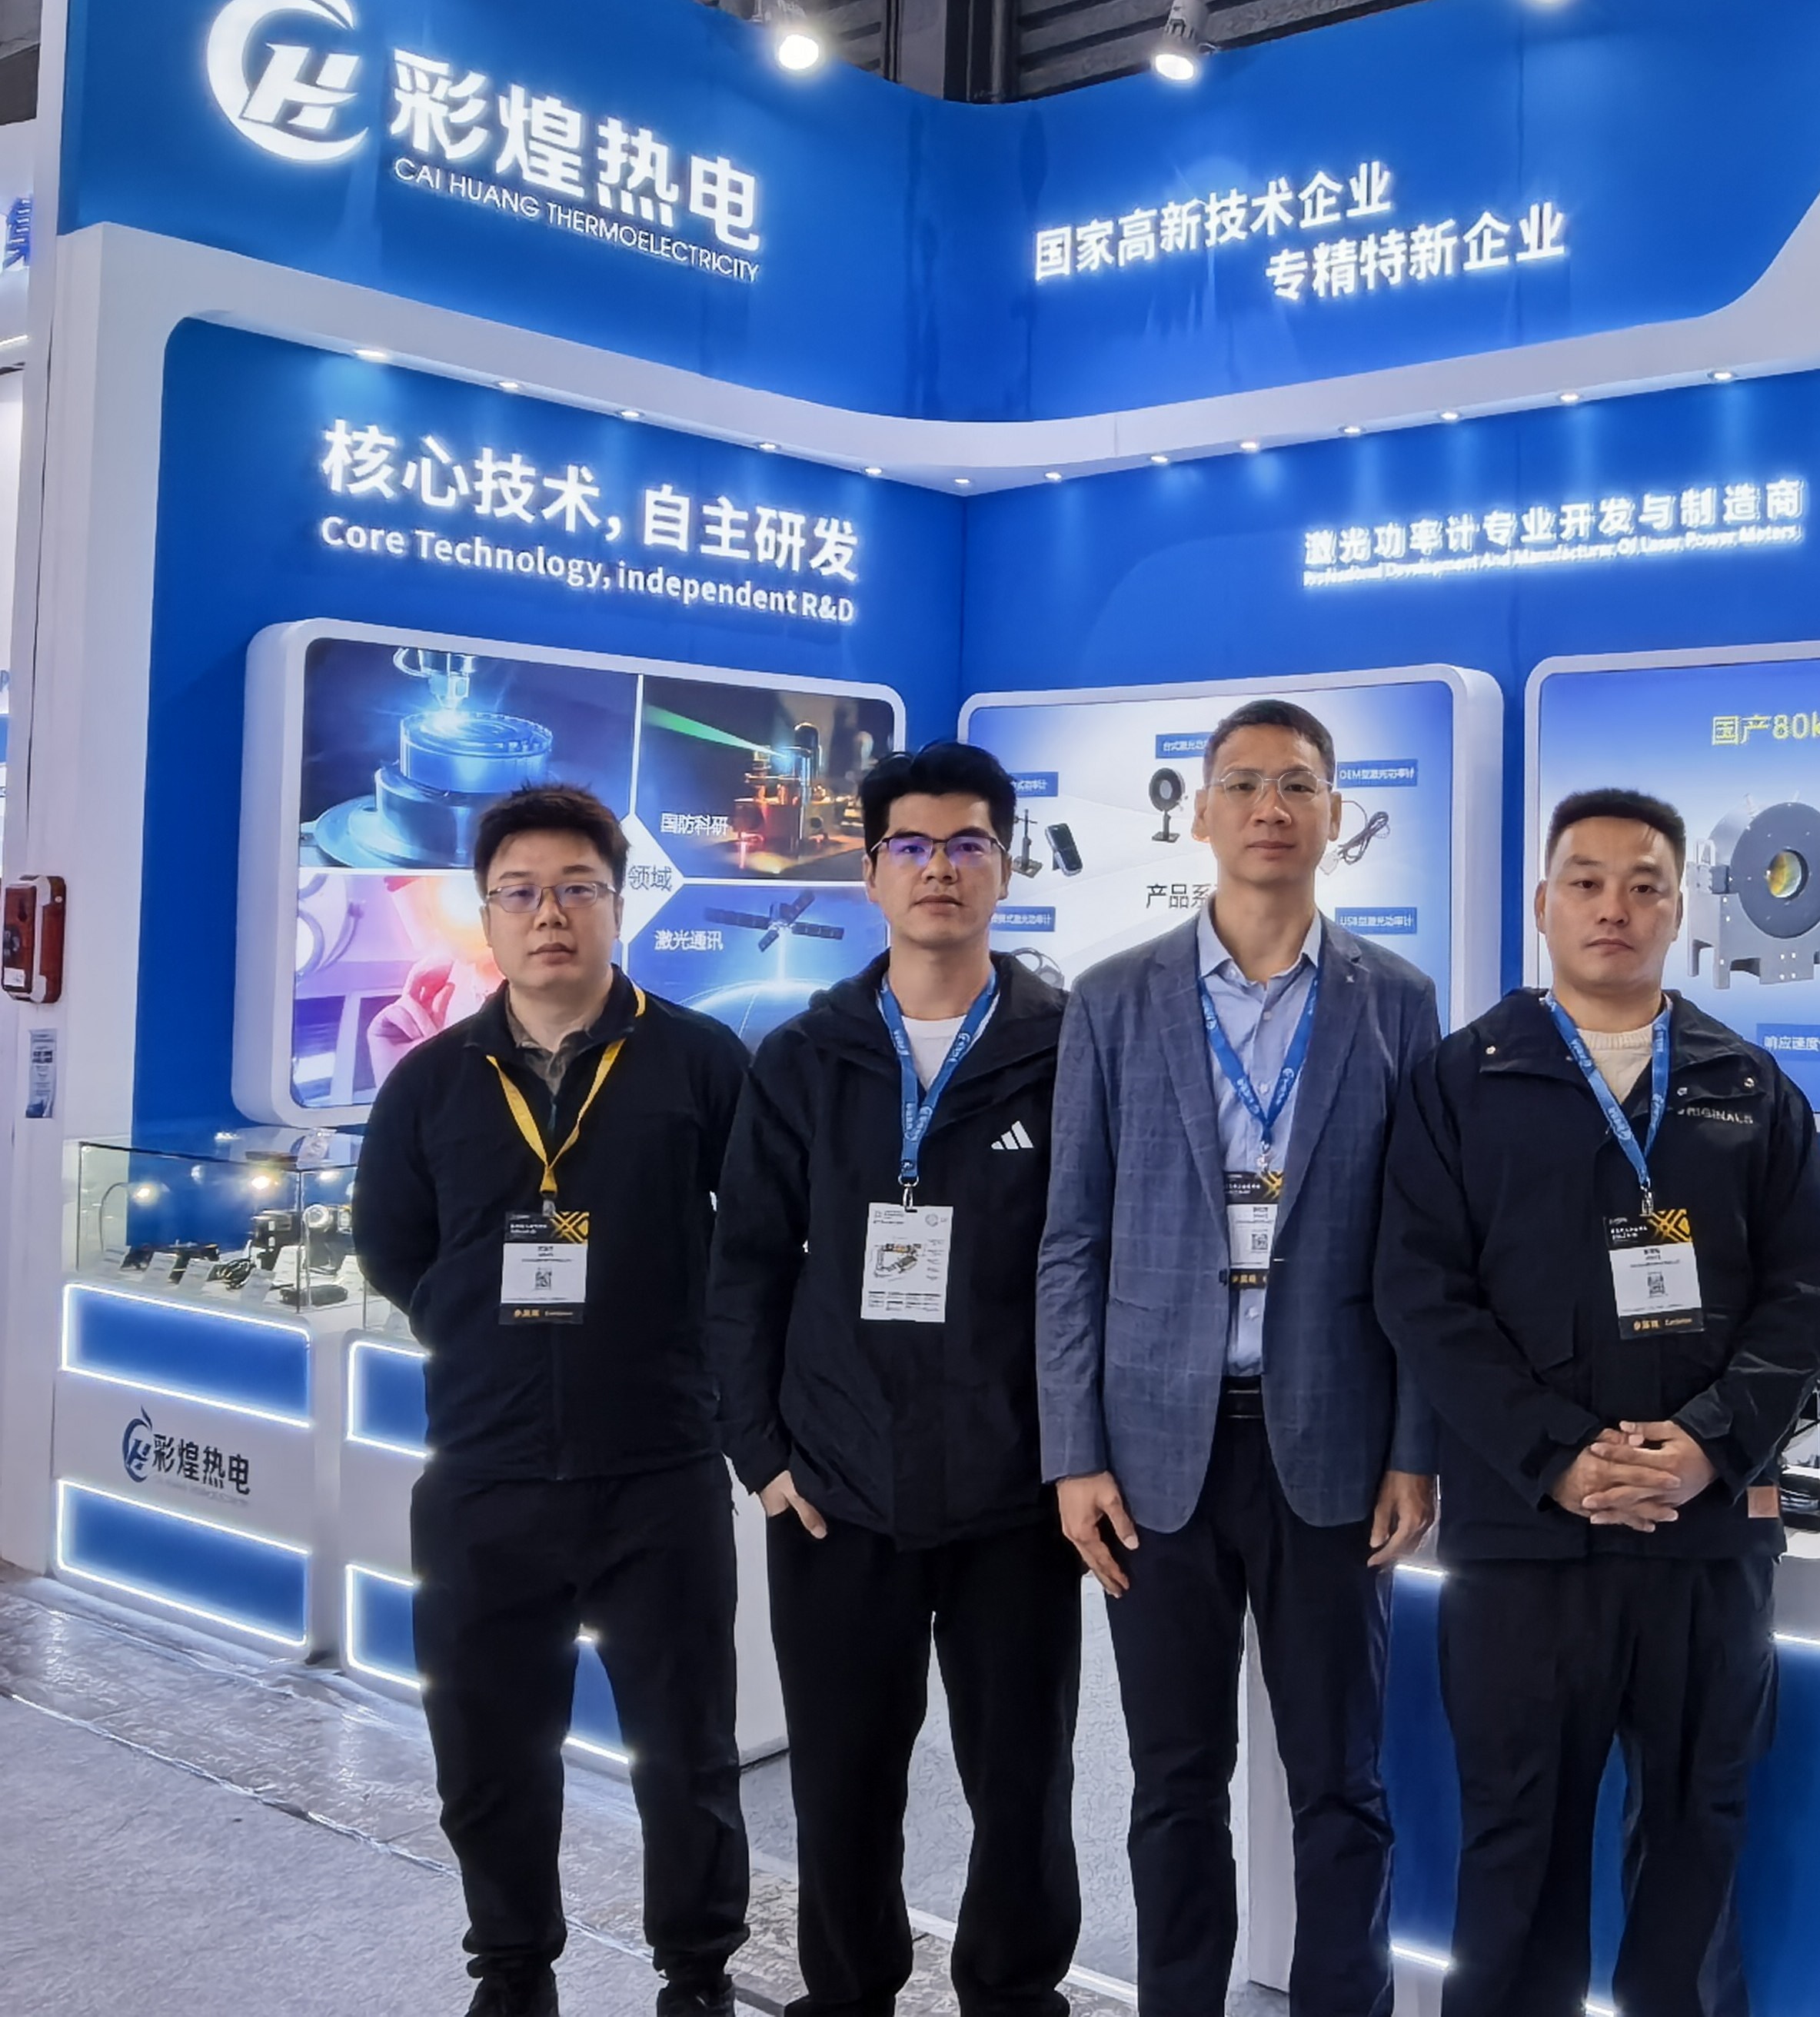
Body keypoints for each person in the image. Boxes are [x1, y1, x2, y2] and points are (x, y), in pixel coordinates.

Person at [1375, 787, 1820, 2017]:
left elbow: (1802, 1293)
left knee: (1696, 1830)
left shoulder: (1748, 1087)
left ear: (1680, 911)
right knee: (1516, 1845)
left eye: (1644, 886)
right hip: (1528, 1536)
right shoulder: (1459, 1081)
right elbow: (1421, 1294)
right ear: (1542, 904)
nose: (1613, 908)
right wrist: (1559, 1457)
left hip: (1704, 1535)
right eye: (1585, 883)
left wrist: (1705, 1446)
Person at [1040, 697, 1439, 2017]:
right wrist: (1073, 1453)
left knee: (1341, 1782)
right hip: (1156, 1454)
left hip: (1332, 1445)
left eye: (1300, 784)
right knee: (1172, 1783)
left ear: (1335, 816)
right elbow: (1071, 1241)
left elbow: (1423, 1250)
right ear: (1202, 813)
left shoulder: (1396, 1001)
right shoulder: (1112, 998)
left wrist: (1414, 1446)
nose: (1272, 807)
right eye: (1247, 783)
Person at [352, 782, 753, 2017]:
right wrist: (480, 1335)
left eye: (577, 889)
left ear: (618, 904)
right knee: (487, 1755)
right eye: (520, 893)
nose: (549, 915)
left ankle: (696, 1973)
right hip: (484, 1474)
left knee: (685, 1755)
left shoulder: (700, 1061)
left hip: (658, 1468)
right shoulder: (431, 1081)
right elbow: (392, 1245)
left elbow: (755, 1244)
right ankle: (513, 1969)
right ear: (486, 913)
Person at [709, 741, 1080, 2017]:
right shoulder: (805, 1055)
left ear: (1005, 867)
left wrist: (1076, 1452)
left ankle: (1014, 1996)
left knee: (1020, 1780)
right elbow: (745, 1266)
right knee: (843, 1780)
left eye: (968, 844)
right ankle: (849, 1993)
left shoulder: (1065, 1049)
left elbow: (1094, 1267)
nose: (940, 870)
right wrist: (762, 1456)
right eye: (911, 847)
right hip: (835, 1488)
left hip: (1014, 1492)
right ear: (871, 874)